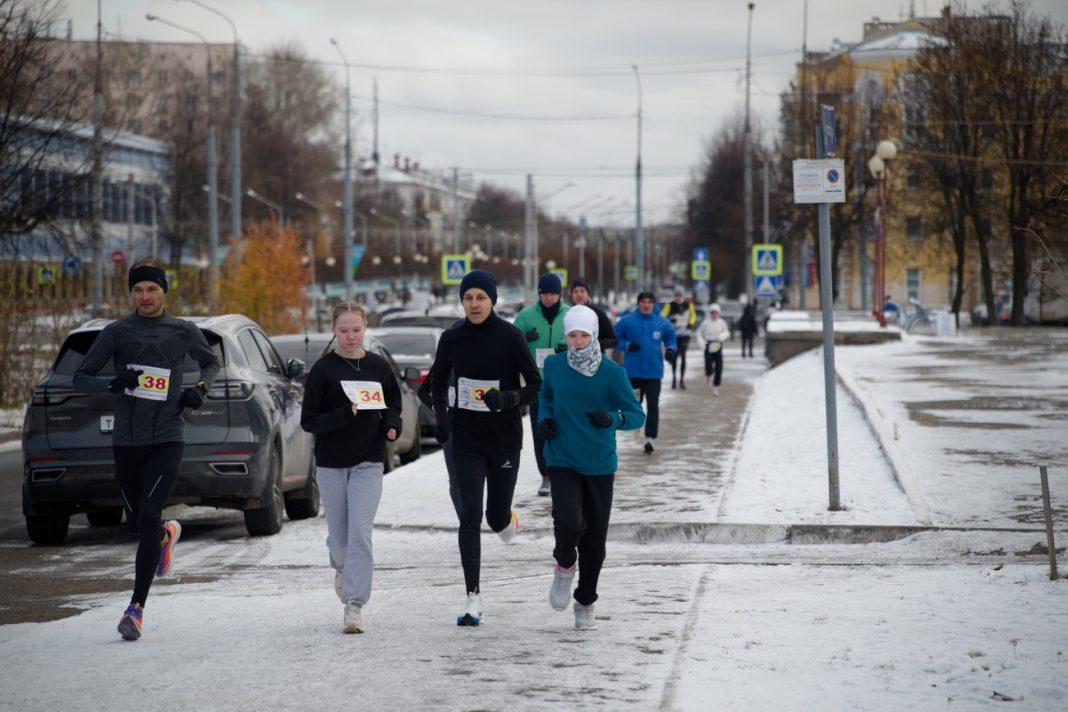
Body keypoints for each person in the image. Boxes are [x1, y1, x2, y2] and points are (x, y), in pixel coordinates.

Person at [72, 259, 220, 641]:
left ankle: (135, 608)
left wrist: (199, 390)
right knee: (140, 523)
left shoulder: (183, 330)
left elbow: (211, 362)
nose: (145, 296)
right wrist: (114, 382)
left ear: (164, 292)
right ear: (131, 293)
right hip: (127, 440)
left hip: (168, 437)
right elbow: (81, 377)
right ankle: (165, 536)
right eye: (138, 290)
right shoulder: (117, 332)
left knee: (150, 512)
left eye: (152, 289)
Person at [428, 269, 542, 626]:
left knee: (495, 517)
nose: (474, 304)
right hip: (467, 439)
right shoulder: (452, 338)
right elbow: (435, 382)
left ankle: (507, 518)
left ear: (492, 300)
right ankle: (472, 598)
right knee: (469, 514)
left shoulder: (511, 337)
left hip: (504, 438)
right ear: (461, 301)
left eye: (480, 297)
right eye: (468, 298)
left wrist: (509, 398)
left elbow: (535, 384)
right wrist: (442, 418)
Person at [537, 306, 645, 630]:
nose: (579, 342)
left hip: (598, 462)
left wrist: (613, 419)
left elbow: (637, 415)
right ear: (565, 336)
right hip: (562, 456)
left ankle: (585, 600)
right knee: (568, 520)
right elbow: (546, 397)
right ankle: (564, 565)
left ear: (595, 335)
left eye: (585, 335)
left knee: (595, 539)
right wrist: (544, 418)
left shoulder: (613, 374)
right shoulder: (554, 365)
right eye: (573, 335)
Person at [300, 301, 402, 634]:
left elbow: (393, 406)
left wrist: (392, 426)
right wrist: (345, 413)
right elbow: (308, 421)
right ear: (334, 330)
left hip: (368, 461)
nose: (350, 336)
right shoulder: (323, 370)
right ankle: (343, 569)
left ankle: (354, 604)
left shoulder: (378, 367)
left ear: (365, 328)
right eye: (343, 331)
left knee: (361, 532)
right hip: (330, 464)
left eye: (356, 330)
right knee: (341, 540)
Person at [513, 273, 569, 497]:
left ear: (559, 294)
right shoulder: (526, 316)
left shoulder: (569, 315)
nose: (549, 298)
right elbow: (511, 341)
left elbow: (584, 339)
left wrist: (569, 348)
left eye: (553, 293)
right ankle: (546, 476)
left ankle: (564, 472)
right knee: (540, 431)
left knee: (565, 428)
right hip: (537, 385)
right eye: (545, 293)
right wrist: (524, 337)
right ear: (539, 294)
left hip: (564, 383)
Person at [614, 291, 676, 454]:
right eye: (643, 302)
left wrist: (670, 350)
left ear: (653, 304)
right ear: (638, 303)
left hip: (654, 373)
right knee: (635, 404)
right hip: (633, 373)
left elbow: (671, 338)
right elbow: (615, 338)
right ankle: (634, 426)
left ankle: (650, 438)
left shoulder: (661, 323)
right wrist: (627, 345)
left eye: (649, 302)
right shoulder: (627, 322)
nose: (646, 305)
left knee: (653, 406)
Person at [569, 277, 617, 353]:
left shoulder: (598, 314)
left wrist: (594, 344)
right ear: (572, 296)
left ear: (588, 295)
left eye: (582, 291)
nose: (579, 294)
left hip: (596, 360)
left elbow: (613, 341)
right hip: (573, 360)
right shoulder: (568, 315)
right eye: (575, 292)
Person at [661, 291, 696, 389]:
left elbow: (693, 316)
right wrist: (669, 321)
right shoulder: (670, 305)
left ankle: (681, 381)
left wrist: (691, 323)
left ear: (683, 296)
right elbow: (662, 316)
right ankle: (674, 380)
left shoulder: (688, 305)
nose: (678, 297)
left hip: (685, 334)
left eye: (680, 295)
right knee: (674, 357)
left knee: (684, 356)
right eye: (676, 295)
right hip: (674, 334)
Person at [697, 303, 730, 396]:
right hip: (708, 344)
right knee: (708, 364)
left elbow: (727, 332)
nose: (714, 314)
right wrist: (702, 343)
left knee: (719, 367)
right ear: (710, 313)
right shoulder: (705, 323)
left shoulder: (722, 322)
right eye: (712, 312)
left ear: (718, 313)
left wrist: (722, 336)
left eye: (716, 313)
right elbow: (699, 333)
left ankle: (716, 387)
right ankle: (708, 374)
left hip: (718, 344)